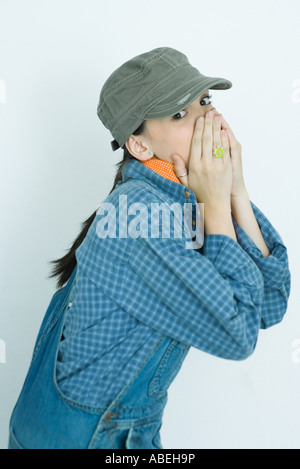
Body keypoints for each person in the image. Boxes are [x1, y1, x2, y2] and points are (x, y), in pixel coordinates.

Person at [8, 47, 291, 449]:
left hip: (111, 431)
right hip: (81, 438)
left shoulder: (190, 192)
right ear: (139, 146)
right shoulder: (136, 213)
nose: (207, 118)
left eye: (205, 101)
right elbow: (237, 334)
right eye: (179, 113)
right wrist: (217, 201)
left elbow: (269, 306)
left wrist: (236, 191)